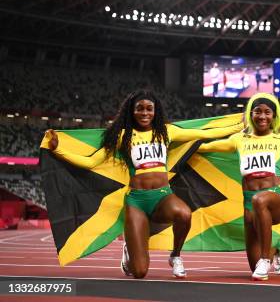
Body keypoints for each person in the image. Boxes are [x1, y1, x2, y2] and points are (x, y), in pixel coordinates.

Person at [45, 90, 241, 279]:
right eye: (140, 108)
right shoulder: (123, 136)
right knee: (139, 272)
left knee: (184, 213)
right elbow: (91, 162)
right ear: (132, 110)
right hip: (136, 202)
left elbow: (205, 133)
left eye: (149, 109)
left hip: (163, 197)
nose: (144, 113)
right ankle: (129, 251)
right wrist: (58, 149)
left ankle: (175, 256)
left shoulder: (166, 132)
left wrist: (239, 126)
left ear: (155, 111)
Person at [198, 93, 280, 281]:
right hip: (250, 205)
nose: (262, 116)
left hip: (277, 199)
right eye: (257, 112)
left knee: (260, 200)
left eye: (268, 112)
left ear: (274, 117)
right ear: (251, 114)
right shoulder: (239, 140)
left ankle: (265, 259)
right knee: (253, 265)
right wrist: (186, 147)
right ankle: (274, 251)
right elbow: (207, 147)